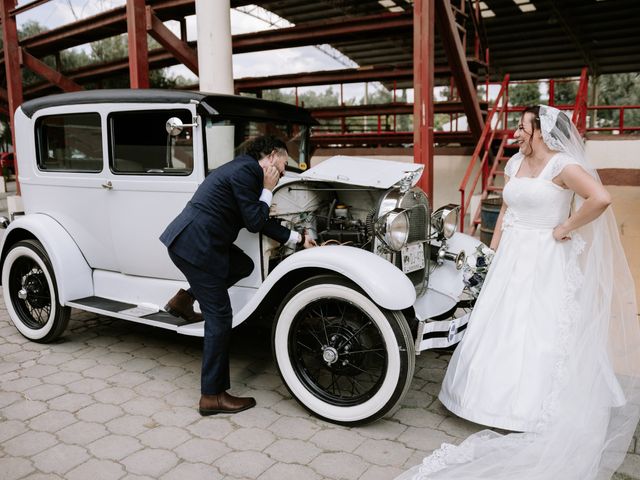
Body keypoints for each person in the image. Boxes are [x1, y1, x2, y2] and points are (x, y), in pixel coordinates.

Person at [397, 106, 640, 480]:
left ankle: (530, 410)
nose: (517, 134)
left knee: (540, 328)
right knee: (501, 323)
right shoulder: (512, 164)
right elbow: (506, 212)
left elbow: (600, 199)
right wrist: (491, 254)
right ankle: (481, 401)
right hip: (511, 256)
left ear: (541, 132)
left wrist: (566, 227)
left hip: (546, 258)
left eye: (523, 129)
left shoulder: (562, 167)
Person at [160, 135, 316, 416]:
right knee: (220, 317)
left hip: (199, 242)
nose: (281, 174)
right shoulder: (248, 173)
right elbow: (256, 221)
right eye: (281, 167)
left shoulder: (244, 168)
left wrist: (298, 238)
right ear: (270, 156)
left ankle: (184, 300)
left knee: (242, 265)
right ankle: (212, 396)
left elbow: (258, 219)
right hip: (196, 246)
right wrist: (268, 189)